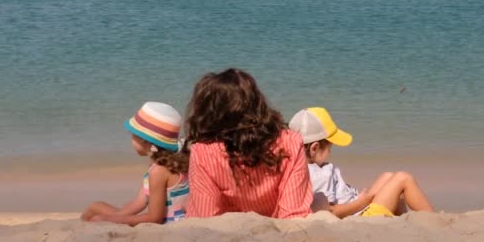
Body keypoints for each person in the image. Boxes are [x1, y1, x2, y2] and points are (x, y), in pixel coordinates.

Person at [184, 68, 313, 219]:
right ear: (258, 103)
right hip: (274, 225)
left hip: (224, 231)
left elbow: (206, 217)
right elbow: (293, 214)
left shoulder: (202, 153)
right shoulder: (291, 141)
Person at [288, 107, 434, 218]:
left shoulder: (307, 168)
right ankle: (433, 220)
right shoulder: (316, 175)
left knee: (388, 176)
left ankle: (399, 219)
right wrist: (363, 201)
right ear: (314, 148)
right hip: (360, 216)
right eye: (330, 146)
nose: (331, 150)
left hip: (359, 208)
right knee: (403, 178)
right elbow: (331, 211)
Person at [81, 102, 189, 225]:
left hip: (169, 224)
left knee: (98, 218)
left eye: (133, 135)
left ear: (146, 141)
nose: (131, 139)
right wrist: (112, 218)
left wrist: (107, 220)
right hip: (167, 220)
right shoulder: (169, 163)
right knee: (96, 207)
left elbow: (155, 218)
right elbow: (138, 203)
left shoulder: (158, 171)